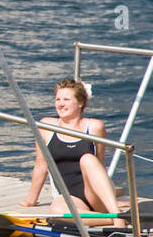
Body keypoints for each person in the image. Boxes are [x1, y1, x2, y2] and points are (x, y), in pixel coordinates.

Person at [21, 79, 122, 222]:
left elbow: (99, 164)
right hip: (69, 198)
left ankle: (114, 212)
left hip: (93, 195)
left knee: (88, 159)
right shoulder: (46, 126)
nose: (60, 104)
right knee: (56, 210)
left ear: (80, 103)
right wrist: (31, 200)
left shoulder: (94, 126)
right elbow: (41, 165)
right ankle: (113, 219)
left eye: (66, 99)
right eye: (58, 99)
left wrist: (111, 199)